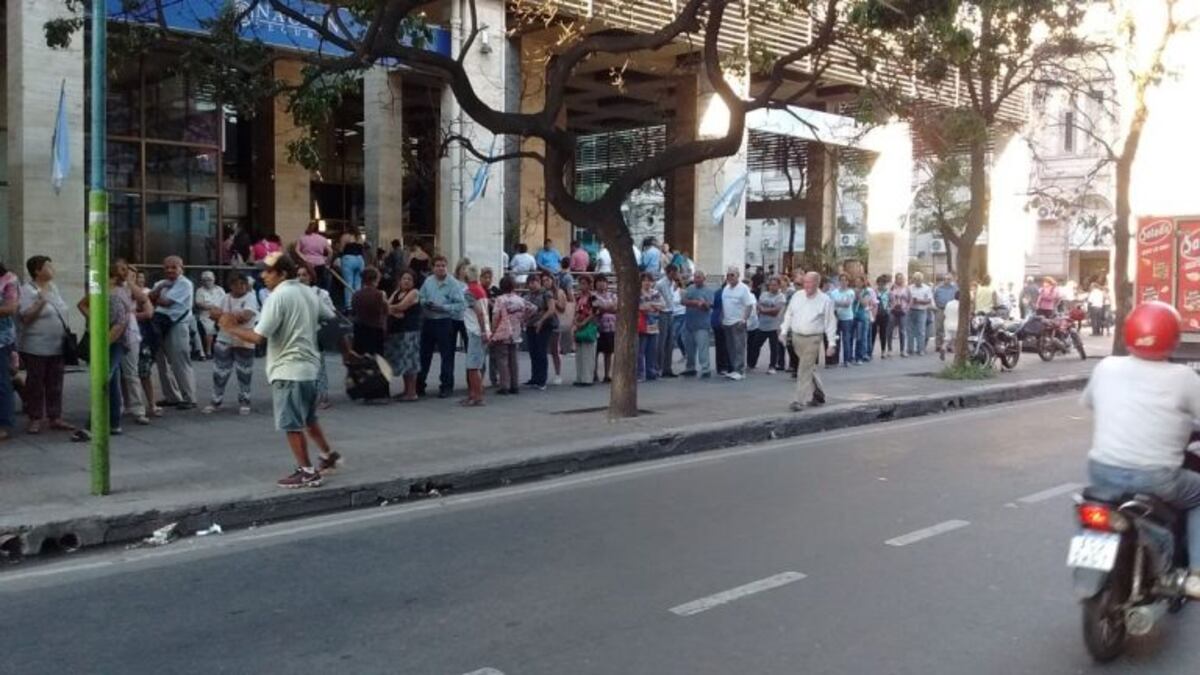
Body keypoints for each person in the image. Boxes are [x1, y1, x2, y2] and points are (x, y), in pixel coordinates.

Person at [1082, 302, 1200, 598]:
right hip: (1157, 478)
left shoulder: (1106, 366)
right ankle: (1197, 574)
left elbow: (1090, 402)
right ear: (1173, 338)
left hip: (1101, 472)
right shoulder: (1184, 378)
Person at [219, 253, 340, 488]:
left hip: (288, 369)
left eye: (268, 271)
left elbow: (257, 337)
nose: (263, 275)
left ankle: (307, 471)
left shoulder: (278, 297)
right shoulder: (308, 292)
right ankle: (328, 456)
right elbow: (331, 319)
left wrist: (230, 327)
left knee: (291, 424)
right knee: (308, 418)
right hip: (309, 367)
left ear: (283, 273)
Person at [71, 264, 132, 440]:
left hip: (115, 342)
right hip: (109, 339)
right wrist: (96, 320)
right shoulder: (104, 290)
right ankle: (114, 423)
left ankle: (93, 426)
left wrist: (103, 342)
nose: (125, 272)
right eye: (121, 269)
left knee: (103, 379)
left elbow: (120, 325)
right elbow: (82, 304)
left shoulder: (118, 293)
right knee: (111, 381)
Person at [17, 256, 73, 434]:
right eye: (48, 266)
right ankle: (35, 417)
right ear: (37, 271)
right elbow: (25, 317)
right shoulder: (27, 290)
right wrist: (41, 301)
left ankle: (55, 416)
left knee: (55, 383)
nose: (52, 268)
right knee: (36, 383)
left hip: (57, 345)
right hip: (36, 346)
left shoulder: (54, 288)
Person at [780, 271, 838, 412]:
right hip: (796, 337)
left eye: (809, 283)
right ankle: (819, 394)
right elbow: (789, 314)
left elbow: (830, 322)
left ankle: (798, 400)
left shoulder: (825, 300)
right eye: (804, 282)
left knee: (803, 369)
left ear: (817, 283)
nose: (806, 286)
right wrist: (783, 331)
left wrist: (831, 343)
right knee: (808, 367)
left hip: (813, 338)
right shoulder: (797, 296)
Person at [203, 273, 259, 415]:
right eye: (236, 284)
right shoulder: (225, 297)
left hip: (244, 339)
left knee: (244, 372)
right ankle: (216, 401)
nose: (240, 286)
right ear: (231, 285)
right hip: (224, 338)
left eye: (243, 283)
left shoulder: (251, 297)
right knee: (219, 372)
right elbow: (212, 313)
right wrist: (231, 317)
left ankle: (245, 401)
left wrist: (223, 317)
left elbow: (245, 317)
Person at [149, 256, 198, 409]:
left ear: (181, 268)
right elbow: (150, 298)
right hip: (159, 324)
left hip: (177, 324)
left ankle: (189, 397)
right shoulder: (160, 283)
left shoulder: (185, 284)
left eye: (174, 267)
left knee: (180, 361)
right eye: (167, 267)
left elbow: (165, 302)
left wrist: (154, 297)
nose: (170, 270)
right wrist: (158, 290)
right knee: (161, 362)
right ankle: (171, 396)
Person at [418, 255, 466, 399]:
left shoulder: (453, 283)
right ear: (433, 267)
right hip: (429, 321)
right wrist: (425, 303)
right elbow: (420, 297)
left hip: (445, 321)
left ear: (447, 267)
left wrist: (443, 307)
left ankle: (446, 386)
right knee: (424, 355)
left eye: (443, 265)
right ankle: (419, 385)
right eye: (437, 265)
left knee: (447, 356)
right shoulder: (428, 281)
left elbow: (460, 304)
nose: (440, 268)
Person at [296, 263, 338, 409]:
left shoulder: (321, 293)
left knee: (318, 366)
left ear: (311, 277)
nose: (301, 278)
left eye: (304, 275)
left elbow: (331, 312)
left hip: (316, 332)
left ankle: (322, 396)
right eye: (299, 275)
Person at [491, 276, 534, 395]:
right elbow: (532, 308)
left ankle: (504, 385)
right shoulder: (519, 299)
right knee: (513, 360)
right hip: (516, 332)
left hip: (503, 331)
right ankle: (515, 385)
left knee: (502, 359)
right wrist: (523, 319)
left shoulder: (500, 299)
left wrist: (492, 330)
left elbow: (495, 316)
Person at [385, 270, 422, 402]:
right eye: (404, 278)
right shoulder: (396, 292)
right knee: (403, 362)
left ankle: (412, 392)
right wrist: (395, 311)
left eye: (409, 279)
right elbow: (387, 306)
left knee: (410, 362)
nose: (406, 281)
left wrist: (393, 309)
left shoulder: (414, 292)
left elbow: (402, 306)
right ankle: (406, 390)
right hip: (397, 331)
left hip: (410, 332)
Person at [131, 269, 163, 420]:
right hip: (124, 336)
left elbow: (149, 313)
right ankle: (130, 405)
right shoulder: (115, 291)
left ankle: (151, 403)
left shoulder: (141, 294)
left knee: (144, 372)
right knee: (126, 374)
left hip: (141, 336)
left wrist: (129, 316)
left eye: (134, 275)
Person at [460, 266, 491, 406]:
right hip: (481, 330)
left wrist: (483, 330)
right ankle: (474, 395)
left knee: (473, 367)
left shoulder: (469, 292)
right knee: (476, 365)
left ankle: (477, 396)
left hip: (476, 331)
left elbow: (478, 312)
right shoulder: (480, 289)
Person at [721, 266, 756, 380]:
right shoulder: (726, 288)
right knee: (730, 347)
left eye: (732, 275)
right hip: (727, 322)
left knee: (739, 347)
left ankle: (740, 371)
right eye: (728, 275)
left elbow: (749, 305)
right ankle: (734, 369)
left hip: (738, 322)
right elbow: (724, 304)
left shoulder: (743, 288)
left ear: (738, 276)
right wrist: (722, 317)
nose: (729, 277)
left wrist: (744, 319)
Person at [524, 274, 557, 390]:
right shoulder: (527, 296)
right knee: (533, 352)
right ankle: (535, 377)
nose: (532, 285)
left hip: (544, 326)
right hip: (530, 325)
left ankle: (542, 380)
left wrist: (541, 321)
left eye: (535, 282)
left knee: (541, 351)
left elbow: (551, 309)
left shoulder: (546, 294)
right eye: (530, 283)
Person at [681, 270, 715, 378]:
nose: (696, 279)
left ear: (704, 279)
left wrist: (703, 304)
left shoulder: (709, 291)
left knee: (702, 348)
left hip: (702, 324)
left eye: (699, 277)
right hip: (689, 323)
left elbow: (709, 306)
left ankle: (705, 369)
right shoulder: (690, 288)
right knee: (689, 348)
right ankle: (690, 368)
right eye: (695, 277)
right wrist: (695, 303)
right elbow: (683, 301)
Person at [749, 276, 786, 373]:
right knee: (756, 345)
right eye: (771, 285)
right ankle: (752, 364)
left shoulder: (781, 297)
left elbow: (776, 311)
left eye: (774, 285)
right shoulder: (764, 294)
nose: (772, 287)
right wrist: (767, 309)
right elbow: (758, 306)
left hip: (774, 326)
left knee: (774, 347)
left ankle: (772, 366)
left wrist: (764, 310)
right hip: (762, 325)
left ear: (778, 286)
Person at [351, 267, 388, 357]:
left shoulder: (356, 295)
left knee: (359, 357)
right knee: (375, 360)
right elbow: (386, 310)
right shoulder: (380, 294)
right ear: (375, 279)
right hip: (375, 330)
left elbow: (354, 310)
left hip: (359, 329)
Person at [0, 262, 19, 441]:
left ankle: (4, 424)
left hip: (1, 339)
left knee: (2, 382)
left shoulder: (8, 280)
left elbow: (11, 308)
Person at [637, 272, 666, 381]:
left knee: (652, 351)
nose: (647, 283)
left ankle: (651, 372)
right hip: (642, 324)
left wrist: (652, 305)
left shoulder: (656, 293)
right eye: (644, 280)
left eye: (649, 280)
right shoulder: (637, 293)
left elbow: (663, 305)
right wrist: (651, 307)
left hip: (654, 325)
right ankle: (640, 373)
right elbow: (640, 307)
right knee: (640, 351)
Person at [572, 275, 598, 386]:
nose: (581, 286)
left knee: (588, 353)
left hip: (589, 325)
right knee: (580, 353)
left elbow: (595, 312)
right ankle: (580, 377)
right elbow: (576, 310)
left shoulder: (593, 297)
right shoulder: (578, 297)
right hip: (579, 324)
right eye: (580, 283)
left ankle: (587, 378)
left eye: (584, 283)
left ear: (589, 285)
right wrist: (575, 321)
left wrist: (584, 322)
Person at [655, 265, 681, 378]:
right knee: (662, 341)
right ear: (669, 272)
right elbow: (664, 298)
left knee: (670, 342)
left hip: (671, 312)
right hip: (663, 312)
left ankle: (667, 367)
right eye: (674, 272)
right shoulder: (661, 283)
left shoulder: (672, 283)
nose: (676, 275)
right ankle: (659, 367)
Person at [194, 270, 226, 360]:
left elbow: (225, 301)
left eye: (209, 279)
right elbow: (199, 304)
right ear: (202, 281)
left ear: (214, 279)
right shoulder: (200, 291)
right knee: (209, 329)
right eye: (205, 280)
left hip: (220, 313)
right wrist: (212, 307)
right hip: (206, 314)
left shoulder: (220, 289)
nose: (207, 282)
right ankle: (208, 351)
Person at [593, 276, 618, 383]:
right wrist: (609, 307)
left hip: (611, 327)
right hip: (597, 327)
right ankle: (594, 373)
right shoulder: (593, 296)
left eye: (603, 282)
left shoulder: (612, 295)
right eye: (599, 282)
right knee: (595, 352)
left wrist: (604, 308)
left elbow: (616, 307)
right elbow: (595, 308)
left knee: (609, 352)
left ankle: (607, 374)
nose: (601, 284)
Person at [297, 221, 334, 289]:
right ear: (317, 229)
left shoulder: (302, 238)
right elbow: (330, 252)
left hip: (307, 263)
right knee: (318, 284)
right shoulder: (323, 239)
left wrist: (303, 257)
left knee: (306, 284)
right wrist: (327, 263)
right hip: (320, 263)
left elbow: (297, 250)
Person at [830, 274, 855, 368]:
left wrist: (837, 303)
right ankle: (835, 360)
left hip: (847, 318)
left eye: (845, 280)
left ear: (848, 282)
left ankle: (847, 360)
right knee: (836, 339)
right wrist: (840, 303)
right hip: (836, 318)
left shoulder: (850, 292)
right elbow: (831, 303)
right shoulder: (834, 292)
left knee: (846, 339)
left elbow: (847, 304)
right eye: (841, 280)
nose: (843, 282)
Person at [337, 227, 366, 310]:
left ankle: (349, 306)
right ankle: (357, 304)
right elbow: (362, 250)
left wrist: (338, 257)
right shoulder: (360, 238)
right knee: (358, 283)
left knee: (348, 283)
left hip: (348, 258)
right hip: (360, 259)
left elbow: (341, 249)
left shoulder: (345, 236)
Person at [908, 272, 933, 356]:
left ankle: (920, 349)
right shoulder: (909, 288)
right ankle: (910, 349)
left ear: (922, 280)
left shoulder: (927, 288)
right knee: (910, 330)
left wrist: (918, 301)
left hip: (922, 311)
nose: (917, 281)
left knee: (921, 331)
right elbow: (907, 299)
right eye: (915, 279)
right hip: (911, 310)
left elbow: (929, 300)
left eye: (919, 279)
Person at [853, 276, 877, 364]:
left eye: (859, 282)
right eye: (856, 282)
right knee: (855, 338)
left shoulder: (866, 292)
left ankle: (861, 356)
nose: (857, 283)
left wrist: (858, 295)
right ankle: (854, 356)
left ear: (863, 283)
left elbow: (864, 304)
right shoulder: (852, 291)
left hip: (862, 317)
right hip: (853, 316)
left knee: (861, 337)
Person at [932, 274, 958, 355]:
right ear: (944, 280)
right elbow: (933, 297)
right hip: (940, 308)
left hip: (951, 309)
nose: (948, 280)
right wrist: (934, 307)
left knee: (950, 327)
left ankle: (950, 346)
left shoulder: (955, 288)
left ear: (952, 280)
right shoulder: (938, 288)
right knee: (939, 327)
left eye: (949, 279)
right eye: (946, 279)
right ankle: (938, 345)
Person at [889, 273, 911, 358]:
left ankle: (902, 350)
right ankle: (890, 350)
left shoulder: (906, 289)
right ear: (895, 279)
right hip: (893, 310)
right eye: (898, 278)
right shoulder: (892, 288)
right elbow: (888, 299)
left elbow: (910, 300)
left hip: (903, 311)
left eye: (901, 278)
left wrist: (907, 309)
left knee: (902, 331)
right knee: (890, 330)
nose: (899, 280)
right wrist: (890, 307)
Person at [874, 275, 892, 359]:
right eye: (879, 283)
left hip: (885, 314)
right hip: (875, 314)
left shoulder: (888, 292)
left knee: (883, 333)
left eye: (883, 283)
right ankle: (870, 351)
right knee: (873, 333)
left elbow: (892, 302)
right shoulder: (874, 292)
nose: (881, 285)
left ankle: (883, 351)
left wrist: (889, 308)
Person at [941, 291, 961, 361]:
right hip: (957, 324)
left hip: (947, 323)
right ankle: (957, 355)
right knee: (957, 340)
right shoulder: (960, 304)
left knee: (947, 338)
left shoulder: (949, 303)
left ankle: (943, 348)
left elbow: (945, 314)